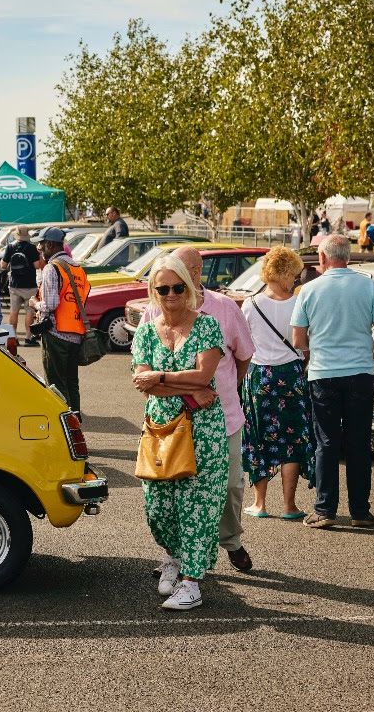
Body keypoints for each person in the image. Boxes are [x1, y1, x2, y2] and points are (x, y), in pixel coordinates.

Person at [142, 245, 256, 572]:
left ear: (197, 272)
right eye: (169, 280)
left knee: (230, 486)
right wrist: (194, 387)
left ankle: (230, 541)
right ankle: (178, 555)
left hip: (223, 418)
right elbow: (143, 376)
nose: (176, 285)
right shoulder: (155, 310)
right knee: (171, 489)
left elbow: (244, 355)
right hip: (170, 419)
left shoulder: (222, 309)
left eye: (186, 274)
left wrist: (227, 387)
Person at [130, 255, 229, 611]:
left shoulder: (207, 326)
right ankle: (173, 556)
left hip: (204, 431)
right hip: (160, 429)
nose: (171, 294)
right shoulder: (145, 330)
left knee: (198, 506)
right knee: (158, 507)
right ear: (153, 292)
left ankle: (192, 582)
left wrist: (159, 378)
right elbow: (144, 384)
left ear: (188, 287)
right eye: (163, 288)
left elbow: (203, 376)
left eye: (177, 287)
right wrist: (181, 385)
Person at [292, 234, 374, 529]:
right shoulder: (368, 286)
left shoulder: (309, 290)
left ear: (322, 257)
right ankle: (360, 511)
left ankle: (325, 510)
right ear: (349, 256)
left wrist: (314, 351)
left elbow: (298, 339)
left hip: (323, 373)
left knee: (326, 442)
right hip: (360, 372)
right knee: (359, 442)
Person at [240, 246, 315, 520]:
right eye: (294, 274)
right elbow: (304, 343)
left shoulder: (251, 303)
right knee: (292, 439)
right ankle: (289, 505)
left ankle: (259, 503)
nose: (296, 279)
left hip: (260, 377)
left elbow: (244, 344)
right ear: (284, 273)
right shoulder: (299, 303)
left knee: (259, 437)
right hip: (291, 376)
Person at [31, 227, 88, 414]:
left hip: (56, 334)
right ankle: (76, 422)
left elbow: (51, 304)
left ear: (50, 244)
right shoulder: (78, 269)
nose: (39, 249)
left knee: (56, 384)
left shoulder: (52, 268)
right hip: (76, 332)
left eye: (41, 245)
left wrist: (35, 303)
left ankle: (64, 425)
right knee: (72, 382)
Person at [1, 225, 41, 342]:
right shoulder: (32, 248)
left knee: (13, 312)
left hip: (14, 285)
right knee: (29, 311)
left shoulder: (10, 247)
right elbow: (37, 265)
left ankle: (13, 338)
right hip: (29, 285)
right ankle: (28, 337)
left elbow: (3, 265)